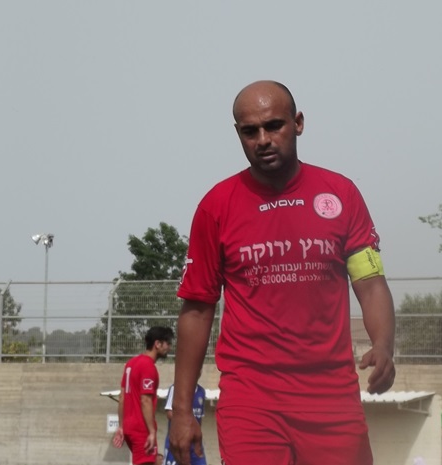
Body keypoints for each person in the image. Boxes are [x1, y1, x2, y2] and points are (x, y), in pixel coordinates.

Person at [170, 80, 396, 465]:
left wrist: (384, 344)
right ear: (238, 134)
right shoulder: (216, 206)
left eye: (274, 125)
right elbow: (197, 310)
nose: (263, 139)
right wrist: (181, 411)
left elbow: (371, 283)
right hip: (250, 401)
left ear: (298, 123)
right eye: (250, 131)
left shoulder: (340, 194)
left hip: (332, 398)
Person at [113, 326, 174, 465]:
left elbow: (122, 397)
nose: (169, 348)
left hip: (129, 428)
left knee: (155, 461)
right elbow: (145, 400)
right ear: (157, 344)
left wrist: (121, 426)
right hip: (141, 429)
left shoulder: (131, 364)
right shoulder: (148, 366)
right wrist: (152, 431)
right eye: (168, 343)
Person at [163, 383, 207, 465]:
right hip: (177, 441)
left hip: (194, 443)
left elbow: (200, 418)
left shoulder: (201, 391)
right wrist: (186, 422)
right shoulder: (175, 388)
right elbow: (169, 414)